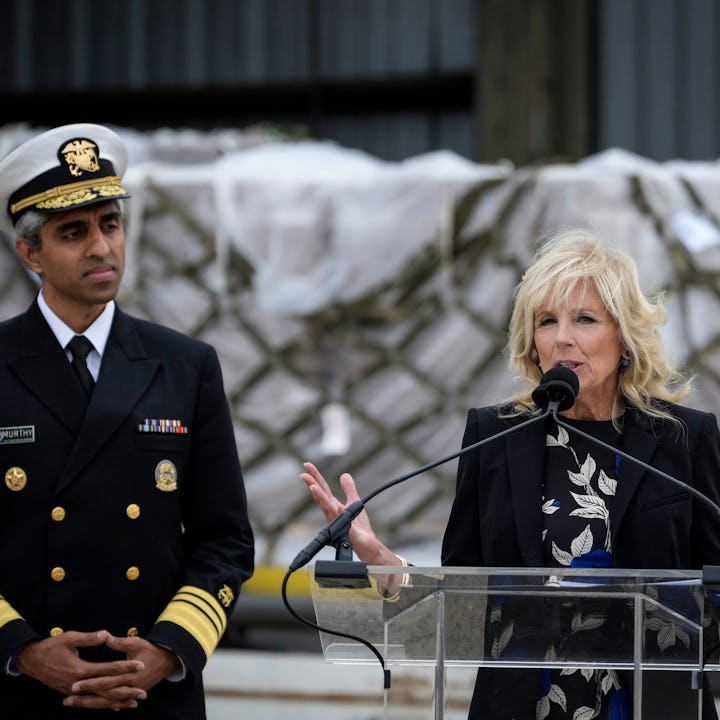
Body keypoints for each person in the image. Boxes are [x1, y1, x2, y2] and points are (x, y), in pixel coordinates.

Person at [301, 228, 720, 719]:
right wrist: (386, 565)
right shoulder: (494, 437)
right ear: (532, 341)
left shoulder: (681, 439)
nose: (562, 337)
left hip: (656, 706)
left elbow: (715, 587)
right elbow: (460, 599)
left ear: (624, 338)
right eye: (547, 321)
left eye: (584, 319)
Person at [0, 123, 254, 718]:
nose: (101, 248)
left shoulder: (187, 366)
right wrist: (24, 650)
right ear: (29, 252)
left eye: (110, 224)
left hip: (151, 691)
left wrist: (170, 648)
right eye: (73, 232)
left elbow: (225, 537)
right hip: (21, 690)